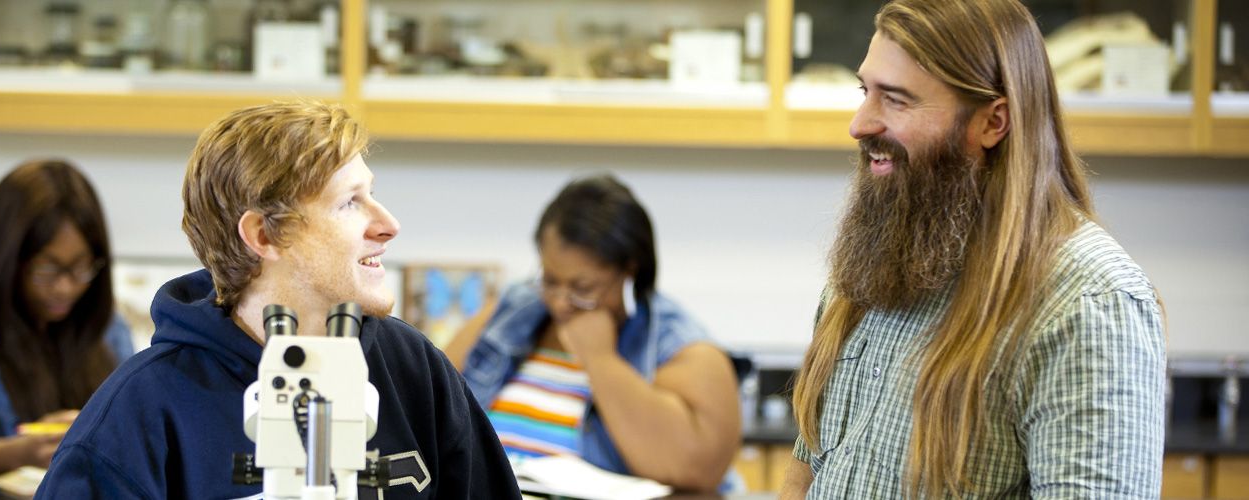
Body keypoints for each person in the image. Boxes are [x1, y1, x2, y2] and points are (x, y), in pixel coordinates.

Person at [35, 100, 521, 499]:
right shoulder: (138, 416)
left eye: (371, 193)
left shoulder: (412, 367)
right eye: (349, 202)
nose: (388, 224)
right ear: (265, 235)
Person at [781, 0, 1167, 498]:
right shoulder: (874, 254)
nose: (860, 124)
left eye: (896, 100)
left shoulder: (1088, 304)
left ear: (992, 123)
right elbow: (809, 461)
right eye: (865, 92)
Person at [443, 174, 742, 493]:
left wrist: (601, 360)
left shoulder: (683, 348)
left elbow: (695, 470)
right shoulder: (512, 309)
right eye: (550, 280)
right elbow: (436, 400)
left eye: (582, 288)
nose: (560, 303)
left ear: (630, 270)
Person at [0, 159, 135, 483]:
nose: (65, 287)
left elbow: (137, 435)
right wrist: (25, 451)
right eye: (46, 269)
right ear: (6, 259)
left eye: (81, 267)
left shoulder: (106, 326)